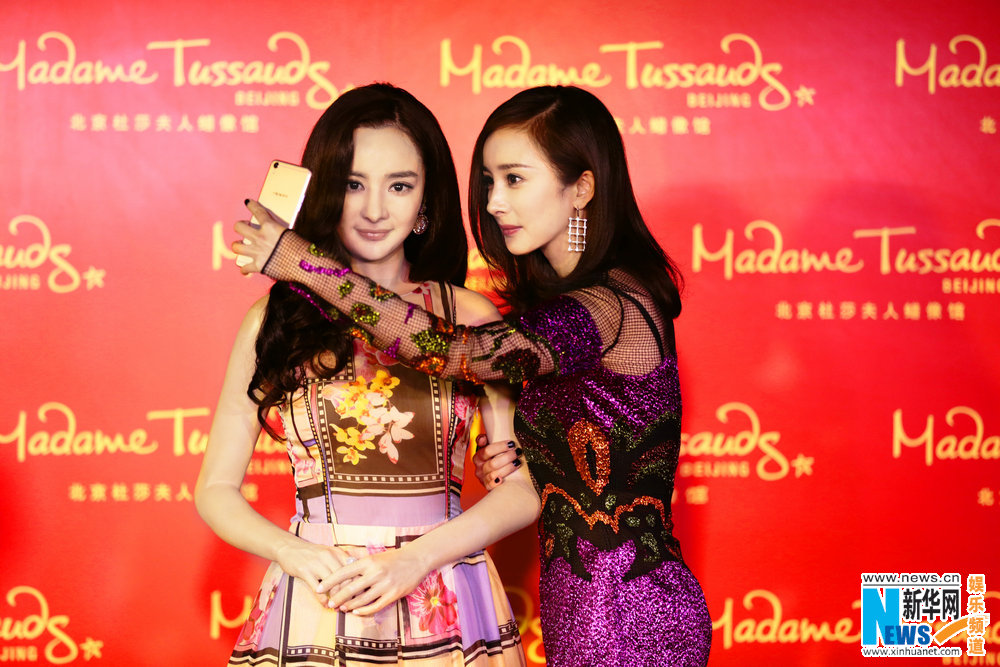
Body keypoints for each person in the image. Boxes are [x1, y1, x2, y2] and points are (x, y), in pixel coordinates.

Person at [234, 85, 712, 666]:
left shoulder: (608, 303)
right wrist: (519, 460)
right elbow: (564, 458)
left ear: (582, 188)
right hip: (583, 601)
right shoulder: (568, 306)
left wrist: (302, 263)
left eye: (514, 179)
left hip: (628, 610)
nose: (494, 202)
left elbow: (459, 352)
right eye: (488, 181)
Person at [196, 83, 538, 666]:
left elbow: (522, 489)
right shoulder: (274, 321)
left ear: (426, 201)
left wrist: (415, 559)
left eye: (399, 186)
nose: (375, 210)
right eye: (354, 184)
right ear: (327, 190)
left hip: (446, 593)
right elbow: (215, 489)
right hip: (321, 595)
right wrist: (294, 552)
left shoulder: (469, 318)